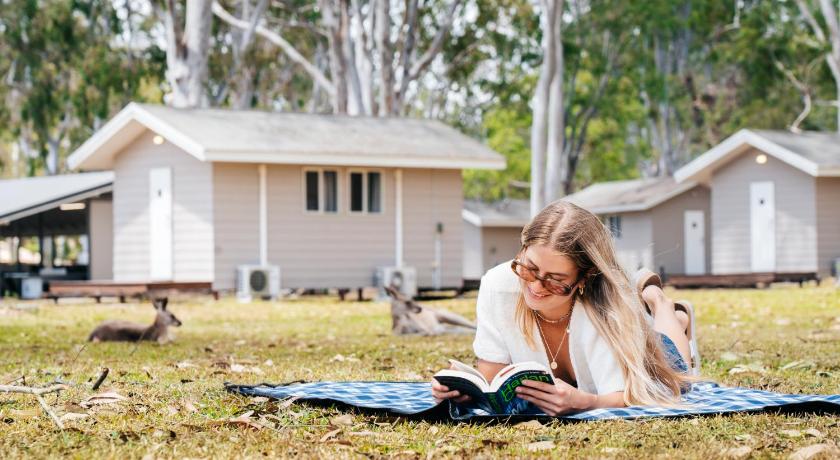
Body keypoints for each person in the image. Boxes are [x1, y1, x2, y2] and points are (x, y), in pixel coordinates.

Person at [431, 200, 698, 415]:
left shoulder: (606, 309)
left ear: (583, 279)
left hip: (651, 348)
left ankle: (660, 303)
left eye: (556, 281)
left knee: (678, 371)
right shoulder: (498, 285)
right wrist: (463, 389)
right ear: (523, 249)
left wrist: (588, 402)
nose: (536, 286)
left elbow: (634, 396)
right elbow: (491, 374)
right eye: (529, 269)